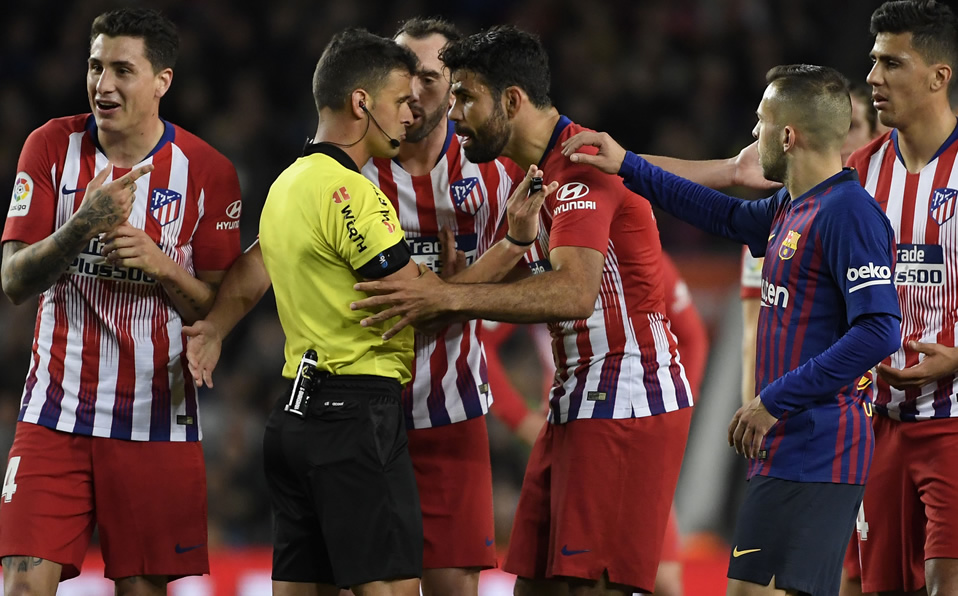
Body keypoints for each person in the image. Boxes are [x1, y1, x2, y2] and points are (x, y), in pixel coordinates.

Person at [182, 18, 548, 596]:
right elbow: (265, 258)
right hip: (364, 409)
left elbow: (549, 274)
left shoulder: (496, 171)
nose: (415, 95)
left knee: (448, 584)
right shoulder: (353, 172)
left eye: (428, 79)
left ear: (453, 86)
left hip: (446, 409)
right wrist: (218, 326)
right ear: (368, 96)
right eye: (403, 82)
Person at [352, 25, 695, 596]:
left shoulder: (581, 167)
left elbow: (572, 293)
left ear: (511, 101)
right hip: (572, 398)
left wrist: (450, 294)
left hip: (625, 400)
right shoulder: (532, 177)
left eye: (466, 97)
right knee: (533, 587)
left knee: (591, 587)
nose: (455, 114)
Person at [561, 64, 901, 596]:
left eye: (761, 121)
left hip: (821, 447)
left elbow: (879, 330)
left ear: (788, 135)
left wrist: (774, 399)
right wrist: (626, 164)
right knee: (746, 590)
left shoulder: (849, 214)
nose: (753, 135)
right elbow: (718, 213)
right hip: (782, 442)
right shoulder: (793, 205)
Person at [0, 7, 242, 596]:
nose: (102, 85)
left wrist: (160, 264)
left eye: (122, 71)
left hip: (154, 419)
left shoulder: (208, 173)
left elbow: (214, 310)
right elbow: (13, 280)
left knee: (142, 591)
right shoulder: (50, 147)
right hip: (53, 413)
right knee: (22, 586)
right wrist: (79, 226)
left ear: (162, 81)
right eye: (94, 66)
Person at [486, 252, 708, 596]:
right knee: (552, 578)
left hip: (634, 426)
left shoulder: (638, 252)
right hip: (567, 430)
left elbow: (691, 335)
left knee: (661, 579)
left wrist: (672, 413)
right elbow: (480, 341)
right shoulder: (539, 258)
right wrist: (521, 421)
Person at [845, 2, 958, 594]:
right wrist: (629, 164)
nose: (873, 78)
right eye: (872, 62)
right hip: (879, 424)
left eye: (892, 63)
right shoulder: (859, 175)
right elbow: (739, 188)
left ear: (939, 76)